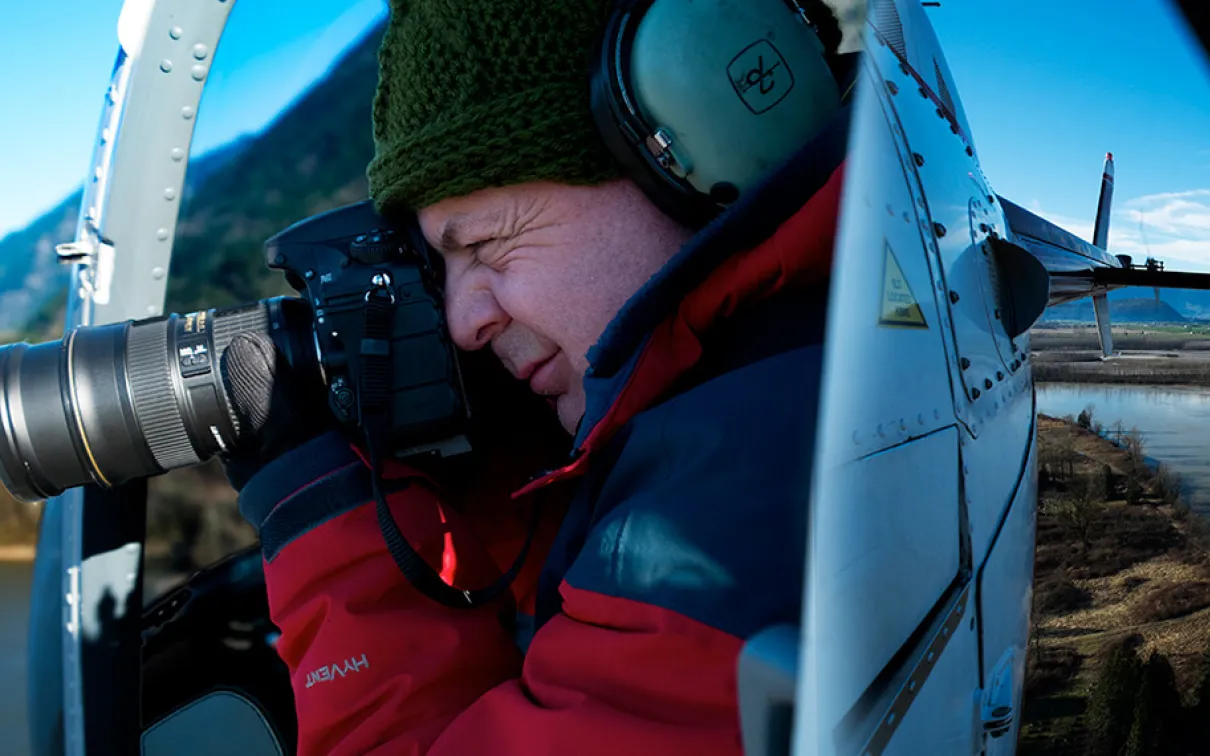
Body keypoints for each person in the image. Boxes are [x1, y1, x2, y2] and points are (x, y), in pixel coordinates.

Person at [219, 1, 857, 753]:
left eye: (487, 245)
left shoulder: (712, 524)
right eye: (444, 271)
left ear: (692, 133)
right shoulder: (812, 359)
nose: (464, 323)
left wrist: (319, 510)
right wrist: (496, 477)